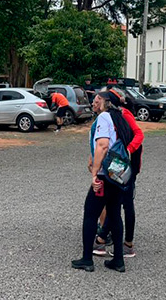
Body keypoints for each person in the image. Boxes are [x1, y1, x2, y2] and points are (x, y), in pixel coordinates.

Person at [70, 92, 129, 272]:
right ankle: (118, 259)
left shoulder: (104, 117)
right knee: (114, 214)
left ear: (105, 102)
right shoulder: (120, 117)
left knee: (90, 213)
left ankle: (87, 258)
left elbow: (103, 145)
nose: (95, 102)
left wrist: (95, 173)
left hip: (105, 173)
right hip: (118, 173)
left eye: (98, 99)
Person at [91, 91, 144, 259]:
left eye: (101, 98)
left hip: (125, 165)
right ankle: (106, 239)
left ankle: (123, 243)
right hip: (120, 164)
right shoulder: (111, 116)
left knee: (122, 203)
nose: (97, 101)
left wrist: (127, 151)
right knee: (116, 203)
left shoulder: (123, 114)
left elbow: (138, 134)